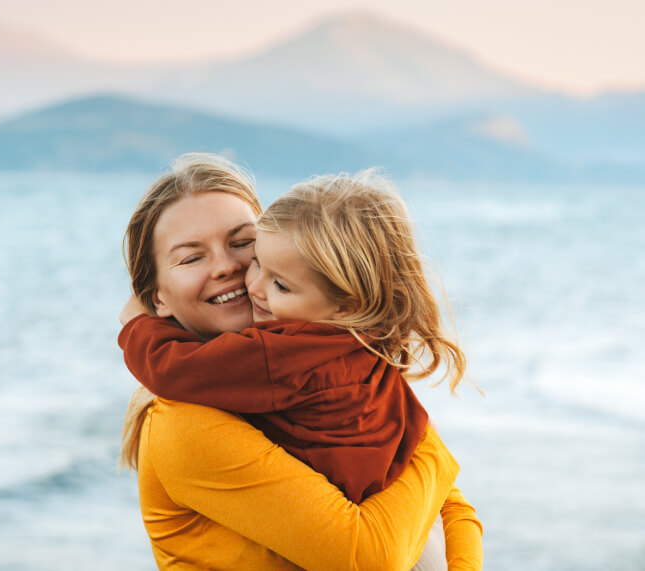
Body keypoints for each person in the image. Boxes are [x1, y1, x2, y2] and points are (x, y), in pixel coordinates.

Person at [118, 154, 482, 570]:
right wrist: (433, 451)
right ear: (156, 298)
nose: (229, 268)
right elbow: (372, 557)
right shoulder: (184, 423)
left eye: (244, 245)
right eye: (190, 257)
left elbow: (456, 513)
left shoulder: (327, 363)